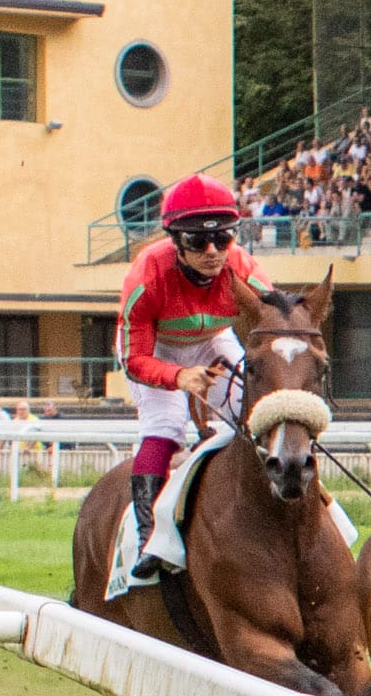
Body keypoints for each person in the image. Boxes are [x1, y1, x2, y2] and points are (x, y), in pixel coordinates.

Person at [116, 175, 283, 580]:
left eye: (223, 239)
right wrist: (178, 376)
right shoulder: (146, 276)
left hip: (213, 339)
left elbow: (278, 320)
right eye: (196, 241)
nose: (212, 252)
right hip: (155, 348)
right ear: (175, 240)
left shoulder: (242, 268)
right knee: (166, 426)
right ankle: (148, 538)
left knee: (258, 410)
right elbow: (135, 359)